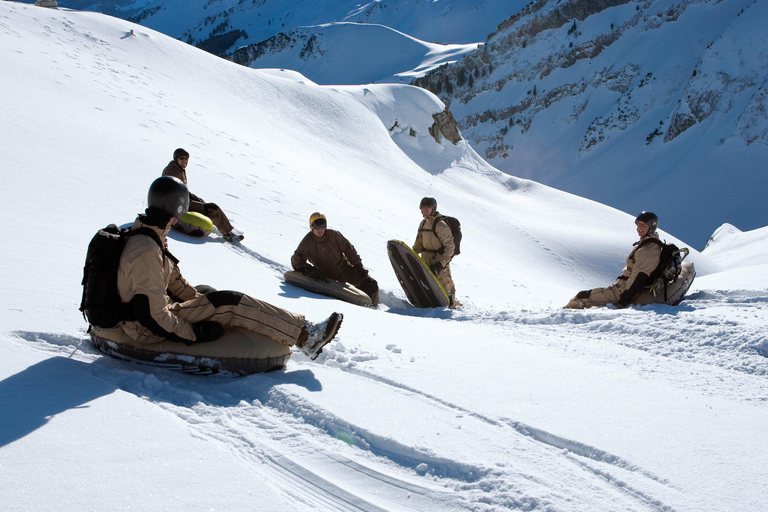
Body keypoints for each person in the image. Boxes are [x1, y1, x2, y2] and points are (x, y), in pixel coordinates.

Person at [115, 176, 341, 359]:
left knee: (208, 293)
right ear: (172, 209)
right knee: (230, 301)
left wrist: (199, 301)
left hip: (153, 310)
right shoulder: (146, 251)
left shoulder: (150, 235)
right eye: (180, 210)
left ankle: (291, 330)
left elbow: (173, 280)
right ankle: (306, 336)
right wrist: (194, 333)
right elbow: (153, 316)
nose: (180, 218)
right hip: (145, 329)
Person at [564, 211, 663, 309]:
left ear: (651, 227)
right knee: (581, 296)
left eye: (644, 225)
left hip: (622, 292)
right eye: (639, 224)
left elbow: (639, 278)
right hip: (619, 288)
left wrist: (624, 299)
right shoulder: (645, 244)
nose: (639, 227)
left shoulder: (649, 250)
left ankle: (563, 319)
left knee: (580, 299)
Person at [291, 213, 379, 306]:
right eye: (316, 227)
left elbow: (349, 250)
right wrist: (310, 270)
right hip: (326, 276)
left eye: (322, 226)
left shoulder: (334, 235)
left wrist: (358, 266)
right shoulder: (308, 241)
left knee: (371, 284)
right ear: (311, 227)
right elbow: (297, 259)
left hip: (344, 269)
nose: (320, 230)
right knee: (337, 300)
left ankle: (372, 309)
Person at [162, 148, 244, 243]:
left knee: (206, 205)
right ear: (176, 159)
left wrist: (195, 198)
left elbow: (183, 190)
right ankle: (229, 234)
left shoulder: (178, 168)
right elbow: (176, 191)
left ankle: (227, 230)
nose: (184, 161)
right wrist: (192, 201)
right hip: (177, 204)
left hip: (180, 201)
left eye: (186, 159)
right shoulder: (174, 171)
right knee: (213, 209)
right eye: (181, 158)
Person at [413, 197, 461, 309]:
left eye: (427, 207)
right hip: (426, 262)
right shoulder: (423, 224)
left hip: (439, 264)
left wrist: (440, 265)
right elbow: (418, 245)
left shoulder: (440, 225)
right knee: (429, 289)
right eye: (422, 207)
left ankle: (452, 309)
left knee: (446, 288)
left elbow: (450, 248)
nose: (424, 210)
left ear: (433, 208)